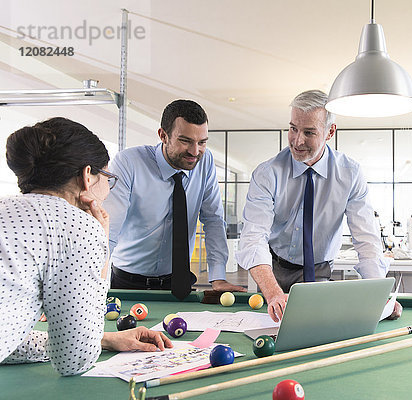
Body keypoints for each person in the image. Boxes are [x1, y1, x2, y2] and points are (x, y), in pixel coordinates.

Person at [0, 117, 172, 376]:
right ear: (87, 176)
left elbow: (8, 337)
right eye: (107, 177)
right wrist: (101, 248)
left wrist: (104, 339)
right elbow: (74, 360)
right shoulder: (78, 226)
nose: (108, 188)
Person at [236, 90, 402, 322]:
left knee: (316, 330)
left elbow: (366, 239)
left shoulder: (350, 174)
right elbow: (253, 238)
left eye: (309, 132)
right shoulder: (267, 174)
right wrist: (273, 294)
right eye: (293, 128)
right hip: (272, 269)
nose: (297, 140)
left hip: (320, 269)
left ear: (329, 132)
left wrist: (378, 293)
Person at [103, 100, 245, 295]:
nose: (195, 152)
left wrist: (218, 276)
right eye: (185, 141)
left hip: (178, 281)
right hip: (127, 281)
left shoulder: (205, 162)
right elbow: (107, 228)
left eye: (202, 142)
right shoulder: (128, 163)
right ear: (163, 135)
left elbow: (212, 219)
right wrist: (87, 284)